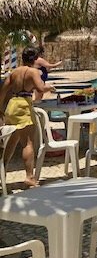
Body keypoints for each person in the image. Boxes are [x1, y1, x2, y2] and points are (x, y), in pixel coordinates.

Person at [0, 47, 56, 187]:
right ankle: (29, 176)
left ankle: (3, 172)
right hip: (23, 105)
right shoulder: (33, 72)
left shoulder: (14, 72)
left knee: (11, 142)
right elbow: (40, 88)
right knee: (28, 143)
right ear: (36, 59)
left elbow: (3, 91)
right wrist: (50, 87)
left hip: (12, 105)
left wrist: (0, 109)